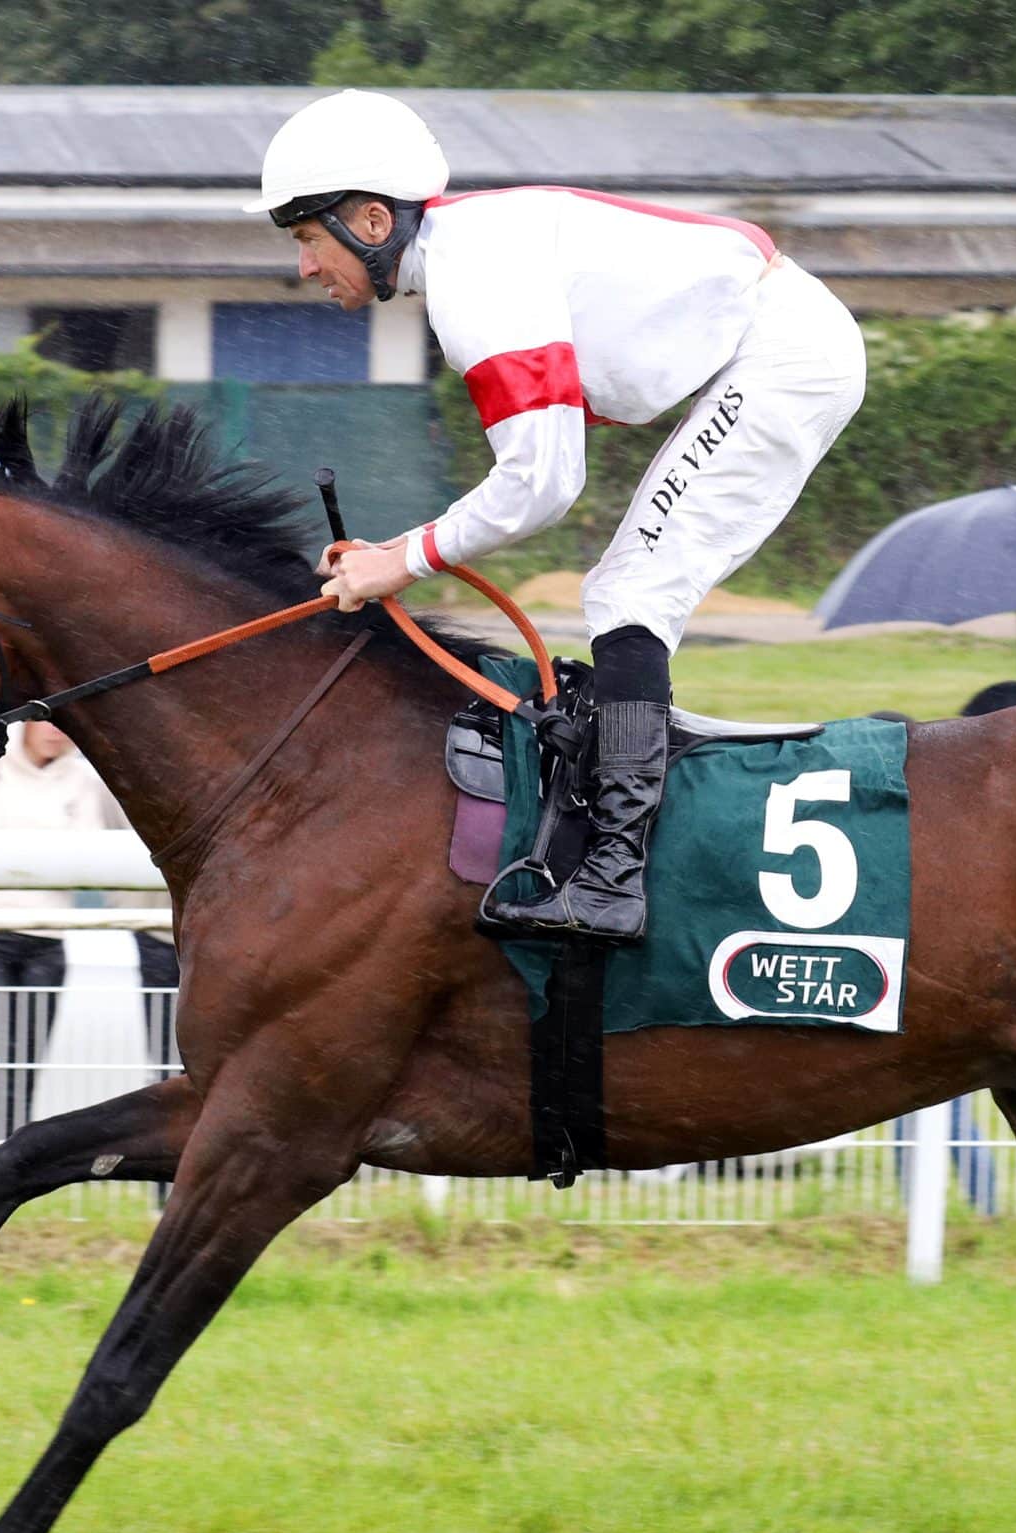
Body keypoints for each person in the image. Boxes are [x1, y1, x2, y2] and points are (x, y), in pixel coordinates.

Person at [250, 90, 868, 943]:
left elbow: (544, 480)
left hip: (785, 357)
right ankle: (610, 852)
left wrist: (403, 561)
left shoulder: (473, 280)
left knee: (628, 591)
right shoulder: (463, 257)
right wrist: (400, 548)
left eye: (308, 239)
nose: (306, 267)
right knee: (624, 588)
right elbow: (542, 472)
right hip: (771, 347)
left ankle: (615, 875)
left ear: (368, 218)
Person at [0, 722, 124, 1178]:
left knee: (22, 1072)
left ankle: (8, 1181)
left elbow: (89, 857)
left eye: (66, 724)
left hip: (47, 939)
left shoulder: (84, 779)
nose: (57, 733)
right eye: (47, 721)